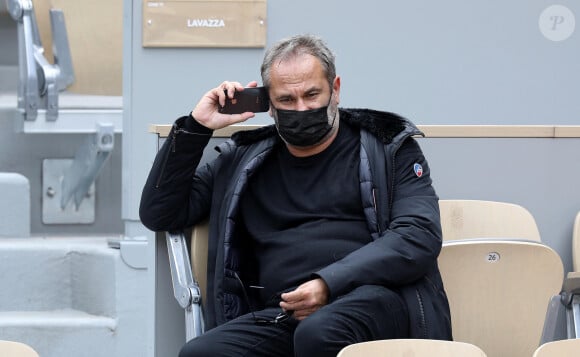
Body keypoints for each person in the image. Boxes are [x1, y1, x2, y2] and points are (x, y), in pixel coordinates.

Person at [140, 34, 452, 357]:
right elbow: (160, 213)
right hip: (283, 315)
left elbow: (418, 235)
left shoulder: (387, 146)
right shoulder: (242, 162)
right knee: (201, 353)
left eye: (312, 94)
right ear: (268, 105)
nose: (301, 108)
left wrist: (328, 284)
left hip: (372, 303)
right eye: (287, 100)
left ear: (336, 89)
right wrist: (196, 127)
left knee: (317, 334)